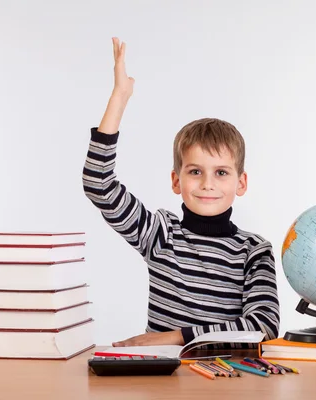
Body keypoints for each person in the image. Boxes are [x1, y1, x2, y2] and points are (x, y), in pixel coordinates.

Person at [83, 37, 279, 348]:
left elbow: (262, 325)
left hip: (230, 382)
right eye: (195, 171)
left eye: (221, 173)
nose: (207, 184)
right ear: (177, 181)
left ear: (240, 183)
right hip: (165, 381)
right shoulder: (161, 234)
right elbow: (99, 183)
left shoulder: (253, 251)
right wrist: (119, 98)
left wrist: (176, 339)